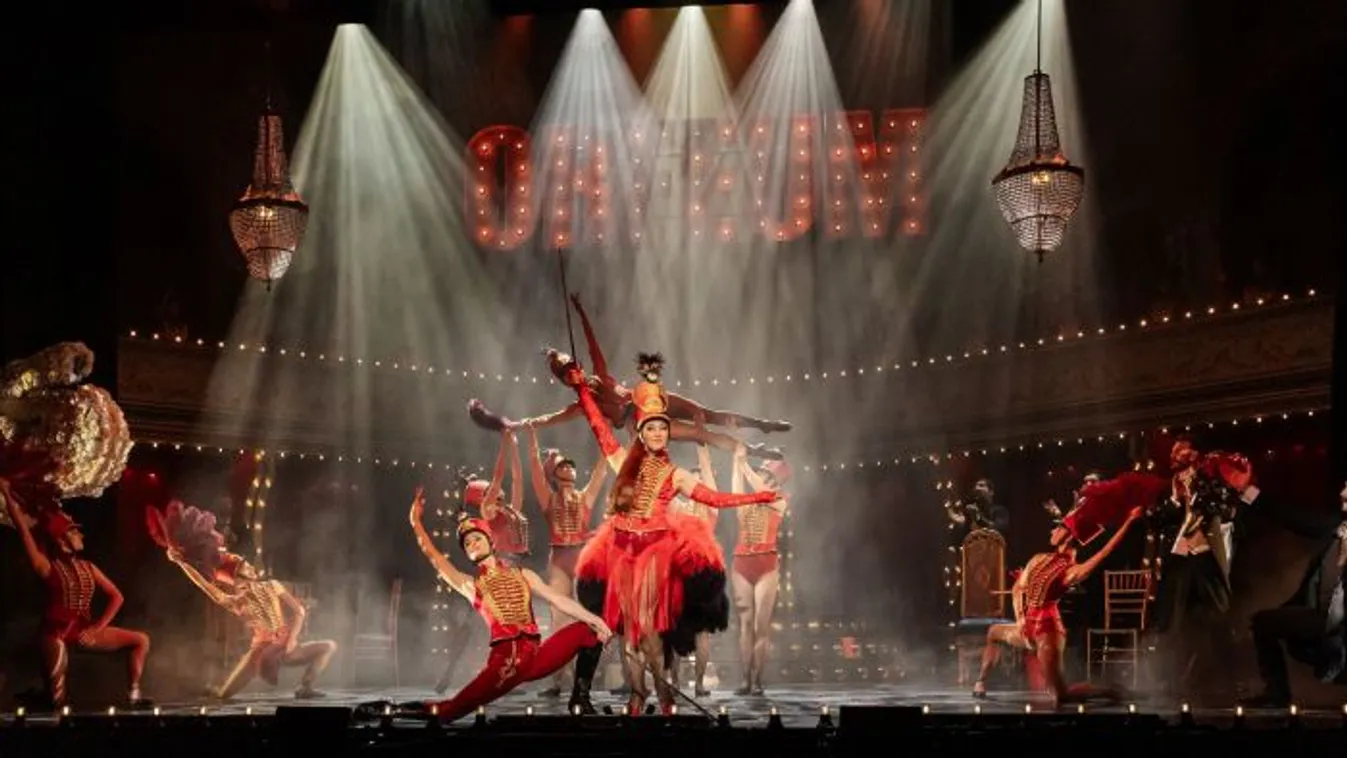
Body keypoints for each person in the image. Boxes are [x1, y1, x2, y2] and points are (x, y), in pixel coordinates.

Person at [560, 352, 780, 715]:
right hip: (622, 555)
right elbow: (598, 424)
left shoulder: (675, 474)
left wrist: (758, 496)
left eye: (663, 428)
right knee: (629, 639)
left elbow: (714, 498)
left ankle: (663, 697)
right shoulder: (621, 461)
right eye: (651, 428)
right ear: (641, 432)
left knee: (649, 637)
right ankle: (637, 695)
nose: (658, 433)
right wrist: (581, 387)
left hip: (653, 558)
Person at [408, 488, 612, 722]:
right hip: (505, 662)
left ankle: (580, 698)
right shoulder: (470, 584)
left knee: (590, 630)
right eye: (467, 544)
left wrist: (594, 619)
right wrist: (416, 523)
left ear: (490, 541)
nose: (472, 544)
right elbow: (435, 558)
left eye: (477, 539)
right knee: (448, 712)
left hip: (535, 657)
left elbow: (557, 599)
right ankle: (397, 710)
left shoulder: (522, 574)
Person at [514, 294, 789, 460]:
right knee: (702, 433)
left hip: (648, 399)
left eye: (573, 365)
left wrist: (581, 312)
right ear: (565, 381)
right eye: (567, 372)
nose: (573, 371)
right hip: (641, 422)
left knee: (707, 414)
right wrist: (520, 424)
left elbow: (592, 343)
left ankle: (761, 424)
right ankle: (754, 451)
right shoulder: (582, 406)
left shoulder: (600, 375)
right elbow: (550, 419)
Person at [972, 477, 1147, 705]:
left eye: (1058, 528)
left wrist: (1128, 523)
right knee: (993, 632)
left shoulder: (1072, 571)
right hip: (1027, 624)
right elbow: (1017, 588)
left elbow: (1105, 552)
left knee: (1060, 695)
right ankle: (980, 682)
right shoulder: (1039, 558)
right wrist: (1021, 617)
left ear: (1068, 536)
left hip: (1048, 630)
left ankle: (1110, 691)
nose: (1053, 530)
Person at [154, 500, 336, 700]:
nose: (250, 566)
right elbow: (204, 584)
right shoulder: (240, 599)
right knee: (223, 695)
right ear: (239, 574)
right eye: (245, 566)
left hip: (282, 648)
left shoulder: (269, 587)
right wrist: (182, 563)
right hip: (263, 652)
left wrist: (290, 640)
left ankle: (305, 687)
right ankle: (205, 691)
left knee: (328, 646)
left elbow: (299, 611)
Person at [2, 484, 152, 709]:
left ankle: (134, 695)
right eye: (74, 531)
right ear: (61, 539)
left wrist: (97, 628)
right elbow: (24, 530)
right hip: (56, 633)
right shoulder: (47, 566)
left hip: (82, 630)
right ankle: (41, 698)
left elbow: (117, 597)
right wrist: (6, 492)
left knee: (141, 640)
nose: (81, 534)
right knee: (58, 702)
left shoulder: (88, 567)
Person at [1241, 480, 1347, 707]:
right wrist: (1251, 493)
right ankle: (1276, 694)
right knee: (1264, 623)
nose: (1342, 493)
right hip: (1322, 617)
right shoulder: (1337, 527)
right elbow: (1296, 519)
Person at [524, 427, 608, 697]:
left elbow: (601, 471)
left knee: (588, 617)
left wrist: (603, 433)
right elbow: (535, 469)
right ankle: (557, 681)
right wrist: (532, 437)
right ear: (555, 474)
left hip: (582, 559)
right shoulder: (549, 498)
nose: (569, 468)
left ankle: (583, 681)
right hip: (560, 559)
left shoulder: (584, 497)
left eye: (571, 466)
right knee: (559, 622)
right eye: (563, 465)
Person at [669, 438, 722, 696]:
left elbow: (708, 477)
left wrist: (702, 444)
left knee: (702, 633)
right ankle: (676, 682)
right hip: (680, 571)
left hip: (703, 572)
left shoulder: (711, 508)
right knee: (676, 629)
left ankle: (698, 683)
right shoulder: (678, 507)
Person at [733, 455, 790, 696]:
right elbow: (737, 486)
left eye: (765, 475)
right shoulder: (746, 501)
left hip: (766, 563)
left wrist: (745, 466)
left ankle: (757, 679)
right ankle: (746, 679)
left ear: (775, 482)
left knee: (760, 625)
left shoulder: (780, 501)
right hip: (742, 562)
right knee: (745, 625)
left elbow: (761, 490)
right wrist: (737, 460)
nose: (760, 479)